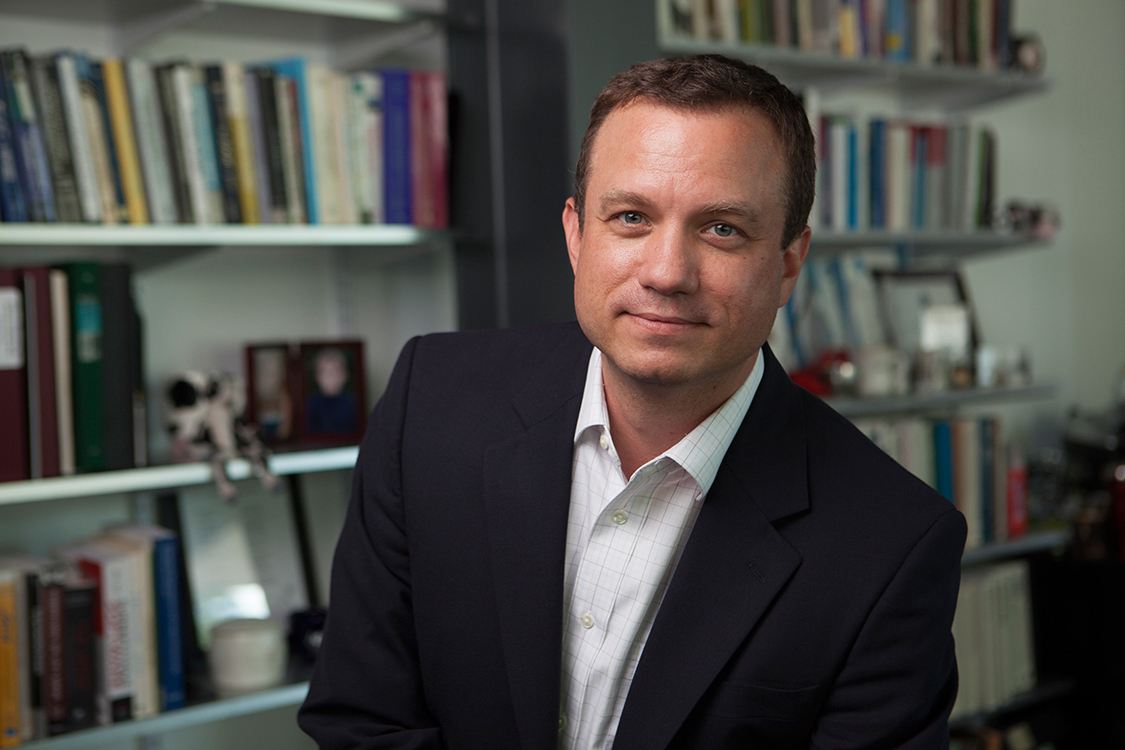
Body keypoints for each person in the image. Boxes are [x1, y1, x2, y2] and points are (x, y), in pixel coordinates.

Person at [298, 54, 966, 749]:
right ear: (575, 234)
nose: (666, 273)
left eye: (722, 229)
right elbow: (361, 720)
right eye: (629, 217)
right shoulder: (429, 401)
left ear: (788, 263)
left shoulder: (892, 545)